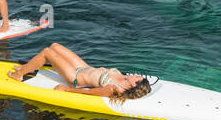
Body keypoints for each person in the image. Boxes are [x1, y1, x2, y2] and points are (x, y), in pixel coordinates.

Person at [8, 43, 152, 103]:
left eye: (138, 78)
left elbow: (89, 93)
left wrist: (66, 89)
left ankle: (19, 75)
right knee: (54, 46)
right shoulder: (125, 77)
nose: (137, 75)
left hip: (75, 77)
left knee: (47, 53)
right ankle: (29, 66)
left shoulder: (114, 88)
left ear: (134, 84)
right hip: (83, 67)